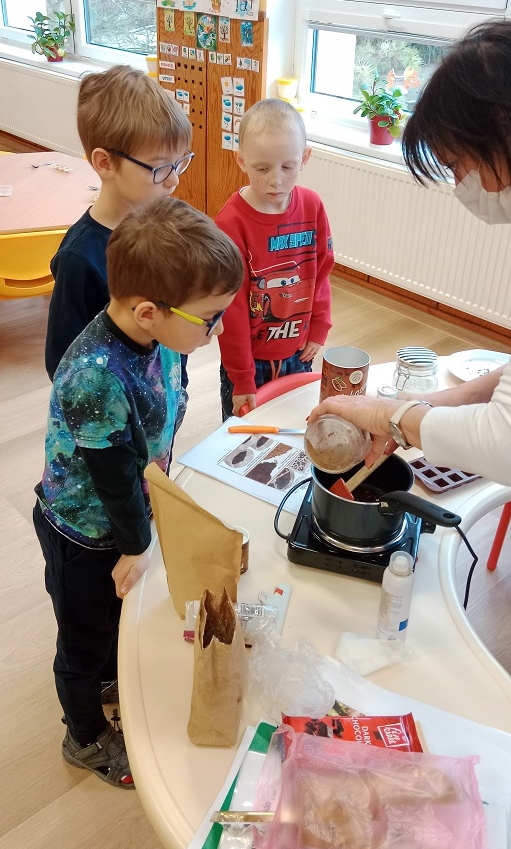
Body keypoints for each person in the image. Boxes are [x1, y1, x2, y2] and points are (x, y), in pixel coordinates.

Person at [308, 19, 511, 849]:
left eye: (457, 163)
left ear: (506, 125)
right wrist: (440, 401)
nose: (462, 186)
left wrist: (395, 416)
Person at [32, 197, 243, 787]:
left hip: (122, 514)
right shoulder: (95, 374)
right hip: (84, 531)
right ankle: (83, 736)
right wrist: (136, 543)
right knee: (81, 638)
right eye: (210, 318)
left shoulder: (157, 337)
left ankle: (106, 671)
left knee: (109, 618)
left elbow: (153, 427)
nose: (219, 329)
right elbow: (113, 477)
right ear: (149, 312)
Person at [44, 65, 193, 381]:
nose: (174, 180)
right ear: (105, 163)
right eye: (160, 168)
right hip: (113, 407)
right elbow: (62, 363)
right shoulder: (79, 258)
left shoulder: (166, 227)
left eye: (179, 163)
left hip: (163, 396)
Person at [216, 98, 334, 419]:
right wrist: (242, 376)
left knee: (293, 428)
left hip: (299, 351)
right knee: (243, 438)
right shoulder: (230, 224)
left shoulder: (312, 206)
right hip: (250, 363)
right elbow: (231, 309)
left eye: (288, 166)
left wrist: (319, 327)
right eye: (262, 168)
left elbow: (320, 272)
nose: (276, 180)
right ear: (241, 160)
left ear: (304, 158)